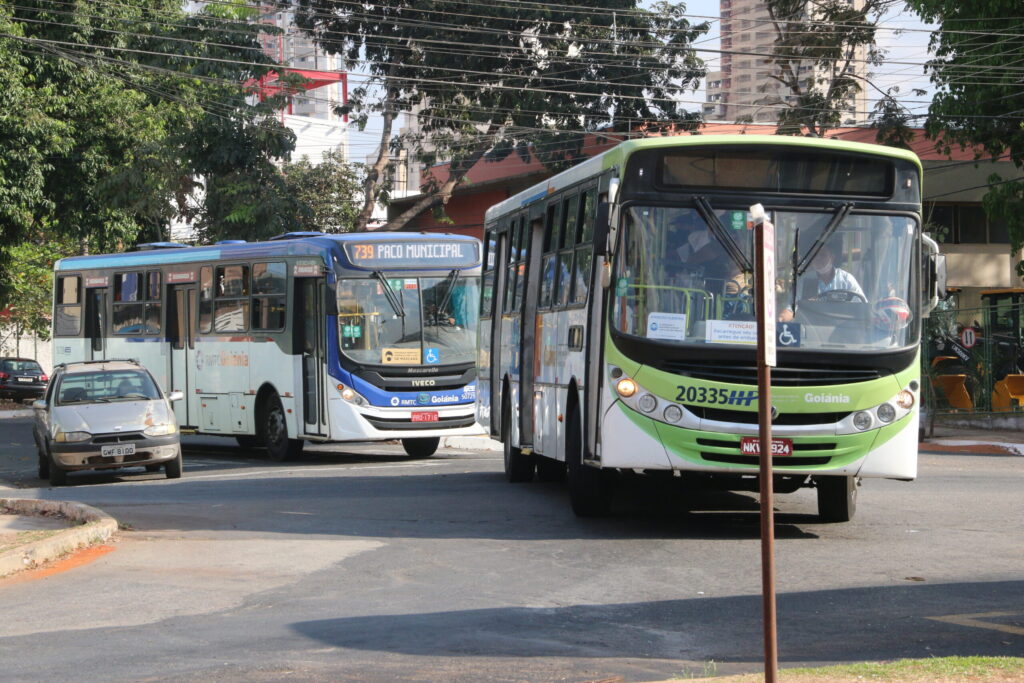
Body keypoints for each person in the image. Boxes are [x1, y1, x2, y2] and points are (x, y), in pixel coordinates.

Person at [778, 242, 863, 322]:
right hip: (812, 331)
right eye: (815, 255)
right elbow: (791, 308)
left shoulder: (846, 280)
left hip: (841, 332)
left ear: (832, 257)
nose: (818, 258)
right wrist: (781, 319)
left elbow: (862, 307)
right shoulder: (804, 281)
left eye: (822, 255)